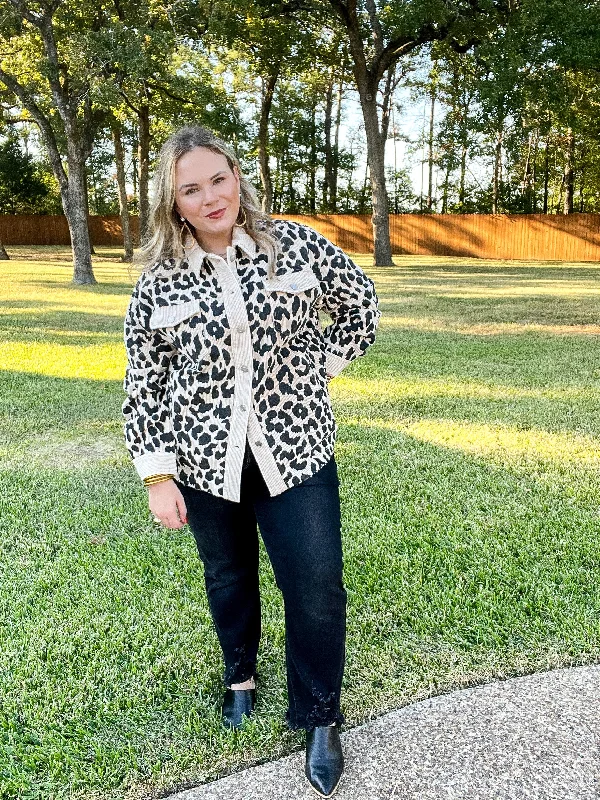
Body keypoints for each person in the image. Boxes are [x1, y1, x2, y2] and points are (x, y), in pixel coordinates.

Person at [122, 124, 380, 798]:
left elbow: (360, 305)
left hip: (296, 451)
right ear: (172, 202)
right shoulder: (157, 284)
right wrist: (157, 476)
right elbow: (144, 384)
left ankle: (320, 716)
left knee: (317, 585)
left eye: (218, 179)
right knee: (228, 576)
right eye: (191, 189)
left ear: (237, 176)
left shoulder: (293, 242)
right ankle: (240, 677)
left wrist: (315, 368)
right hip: (206, 461)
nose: (211, 197)